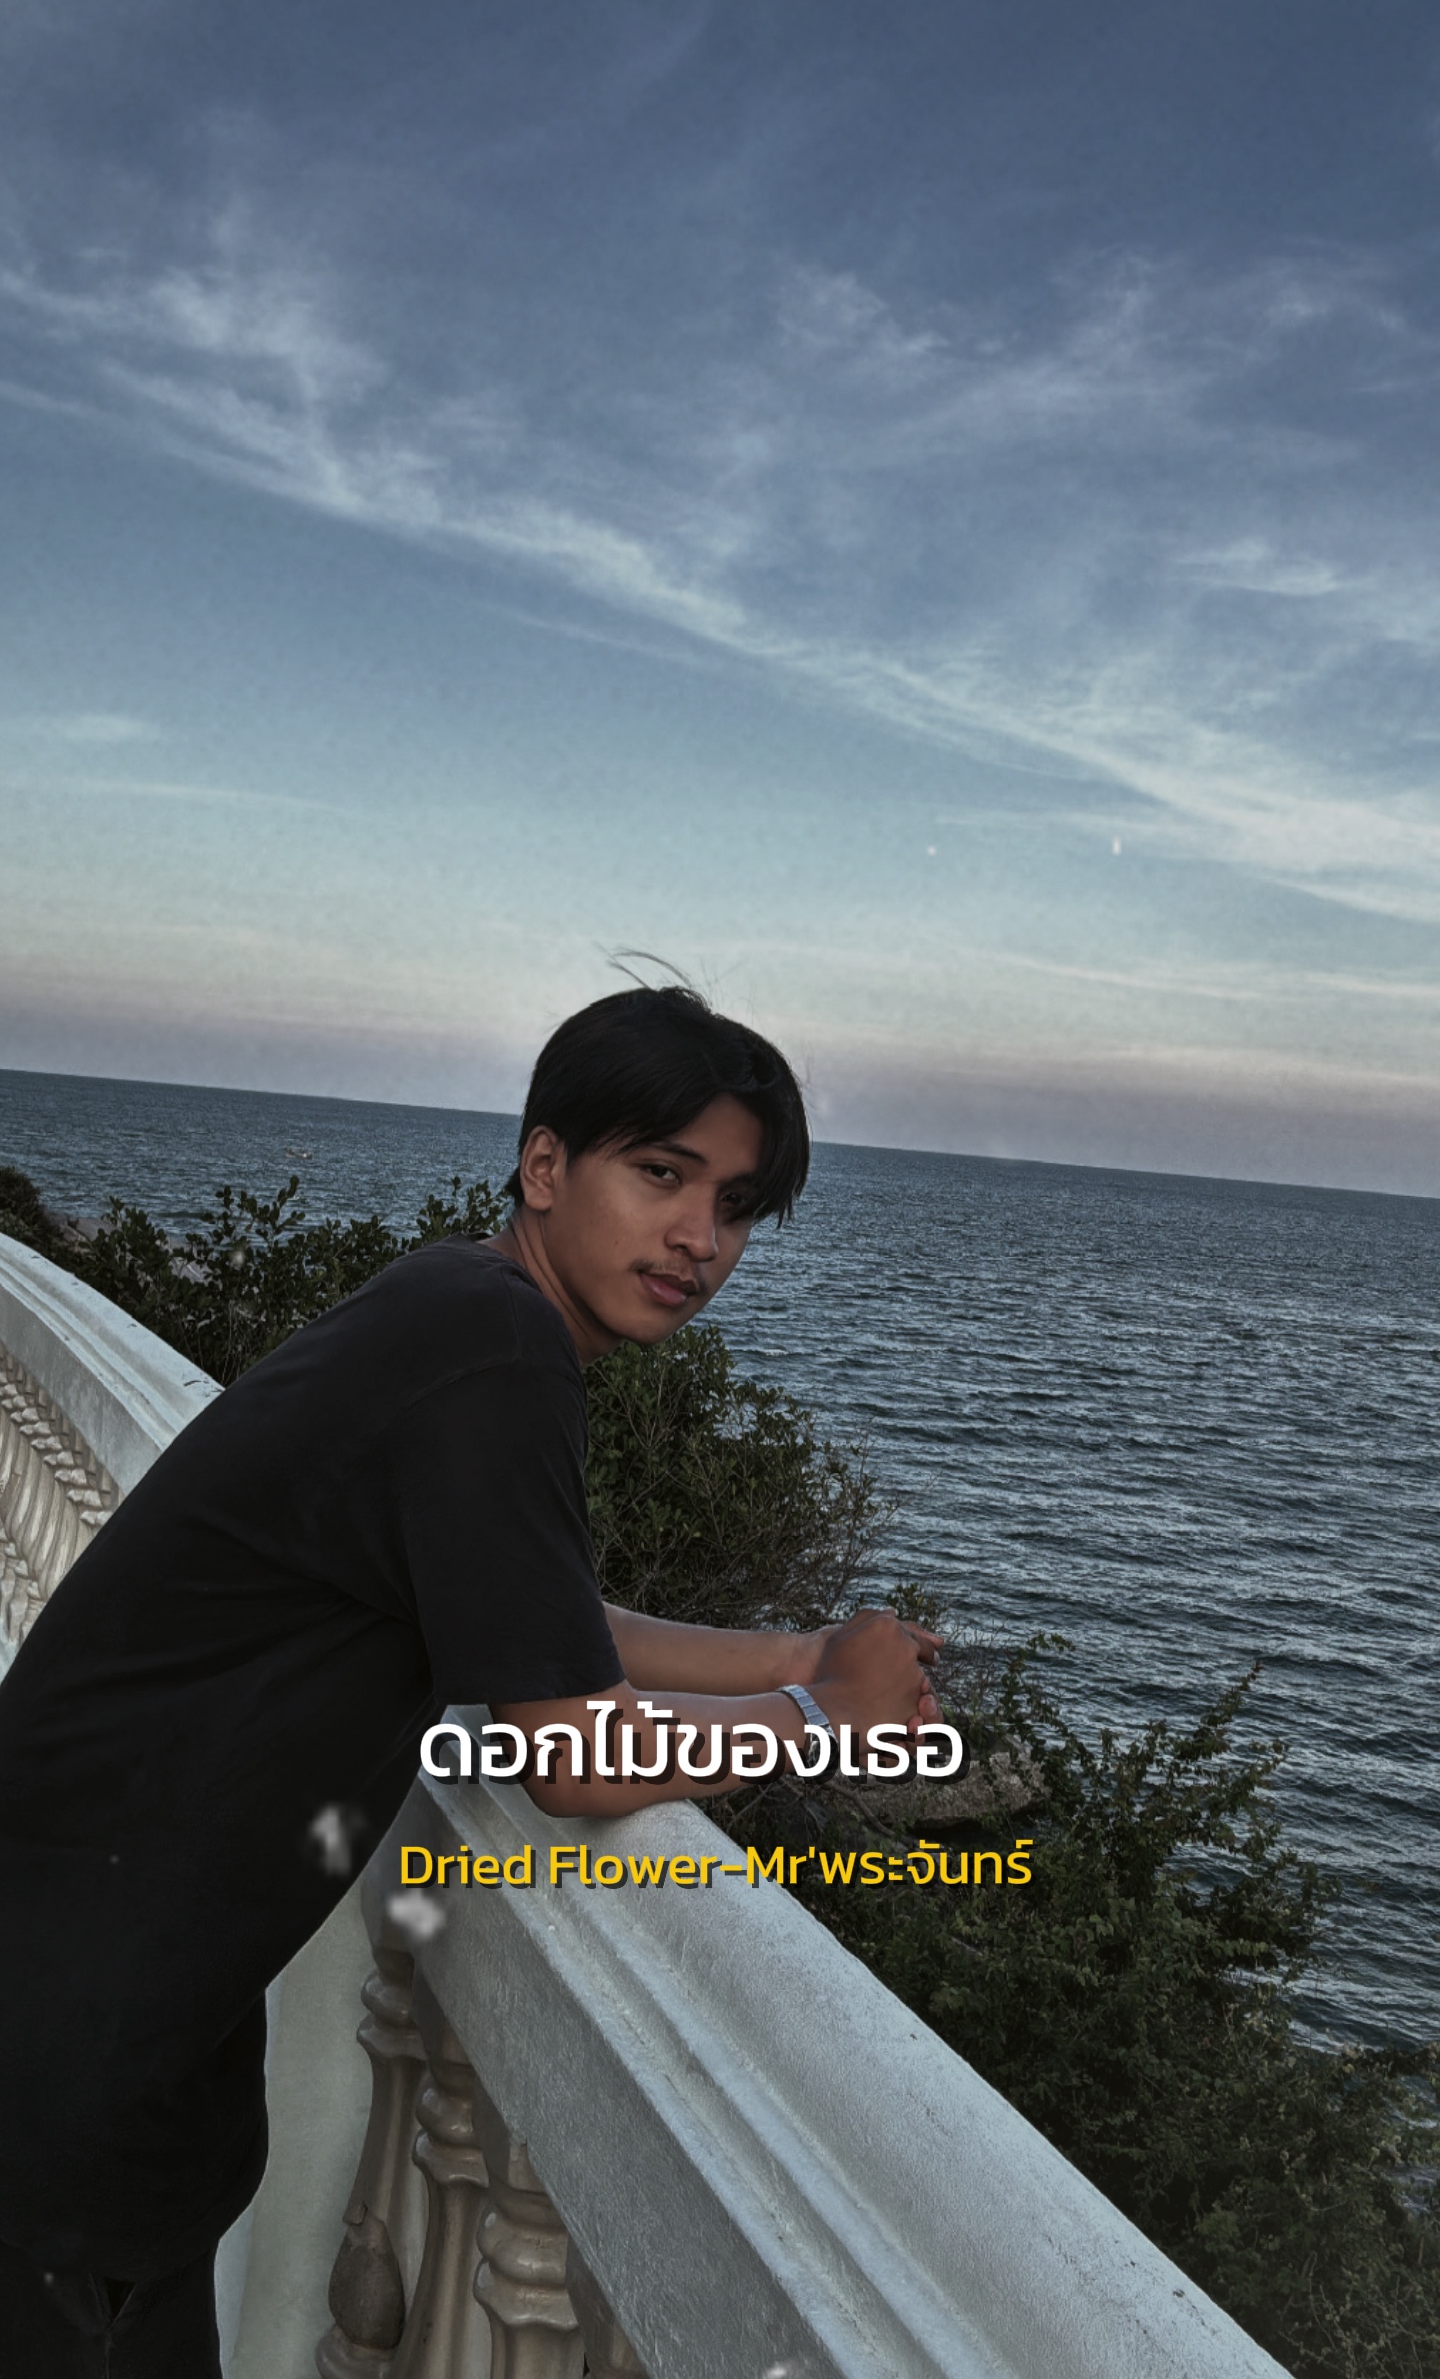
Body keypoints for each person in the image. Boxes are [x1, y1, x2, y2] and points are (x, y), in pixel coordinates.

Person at [0, 985, 940, 2375]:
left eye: (737, 1207)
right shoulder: (497, 1350)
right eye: (662, 1174)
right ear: (545, 1165)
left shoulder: (458, 1300)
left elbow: (531, 1610)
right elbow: (574, 1756)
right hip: (55, 2068)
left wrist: (796, 1654)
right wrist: (821, 1719)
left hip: (109, 2044)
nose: (701, 1238)